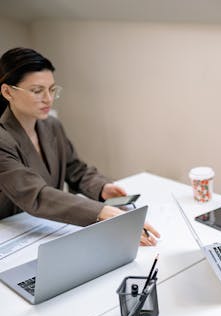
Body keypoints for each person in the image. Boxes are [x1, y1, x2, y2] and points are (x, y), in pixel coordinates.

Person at [0, 47, 160, 246]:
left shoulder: (51, 125)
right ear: (7, 91)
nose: (48, 99)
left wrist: (102, 188)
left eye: (52, 90)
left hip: (50, 227)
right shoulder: (3, 140)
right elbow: (36, 195)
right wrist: (101, 212)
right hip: (12, 236)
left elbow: (75, 169)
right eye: (37, 91)